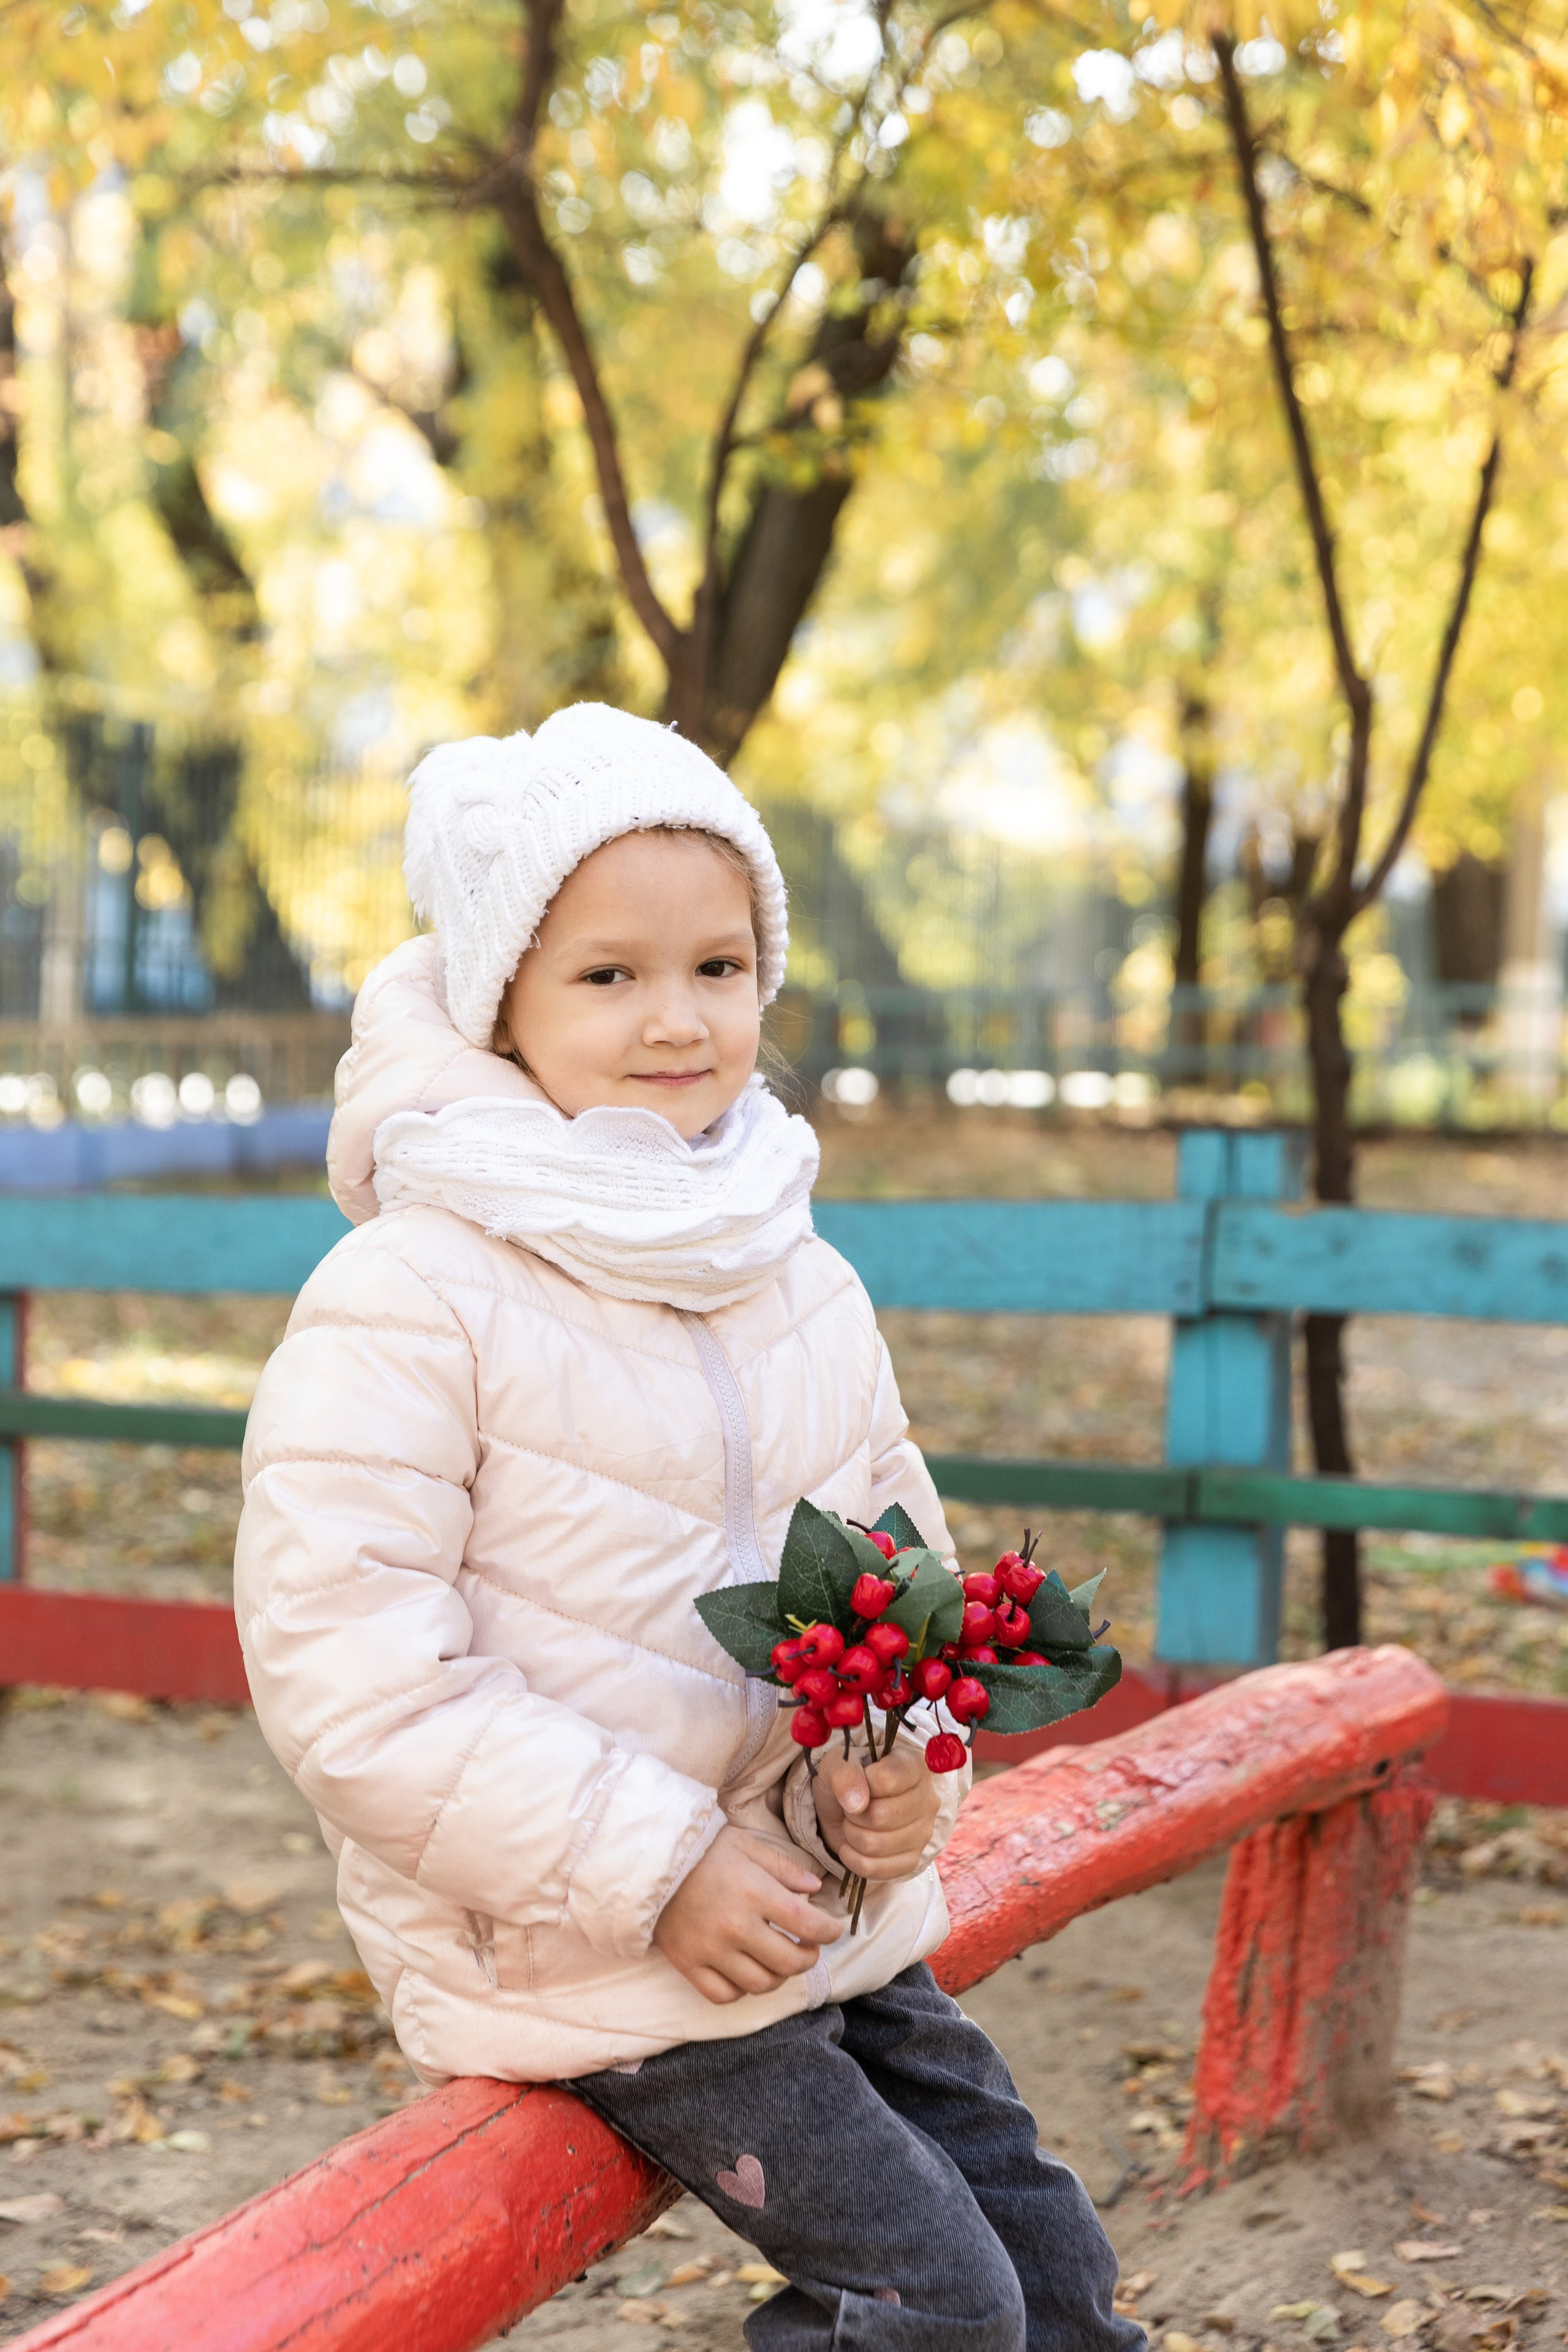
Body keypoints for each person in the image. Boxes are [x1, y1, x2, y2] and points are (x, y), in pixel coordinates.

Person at [235, 703, 1144, 2352]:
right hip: (594, 1947)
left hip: (817, 1908)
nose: (678, 1019)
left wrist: (898, 1780)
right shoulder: (416, 1289)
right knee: (936, 2308)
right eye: (609, 975)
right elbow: (348, 1675)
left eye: (719, 969)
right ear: (499, 996)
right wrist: (655, 1871)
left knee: (1058, 2279)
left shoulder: (788, 1263)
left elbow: (898, 1587)